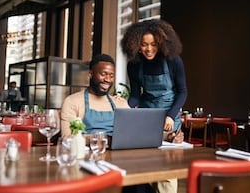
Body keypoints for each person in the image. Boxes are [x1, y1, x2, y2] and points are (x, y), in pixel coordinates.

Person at [61, 53, 183, 193]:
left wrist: (169, 136)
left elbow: (139, 134)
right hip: (90, 165)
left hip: (122, 164)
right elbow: (67, 140)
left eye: (111, 75)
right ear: (90, 73)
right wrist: (100, 139)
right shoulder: (73, 102)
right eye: (103, 74)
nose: (107, 79)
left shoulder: (119, 103)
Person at [121, 19, 188, 193]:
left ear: (161, 43)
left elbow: (182, 92)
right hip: (147, 118)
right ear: (136, 44)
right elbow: (136, 95)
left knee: (167, 171)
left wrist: (170, 116)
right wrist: (125, 109)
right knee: (146, 164)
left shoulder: (173, 61)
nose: (148, 49)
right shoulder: (134, 65)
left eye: (153, 44)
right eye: (143, 45)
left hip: (169, 117)